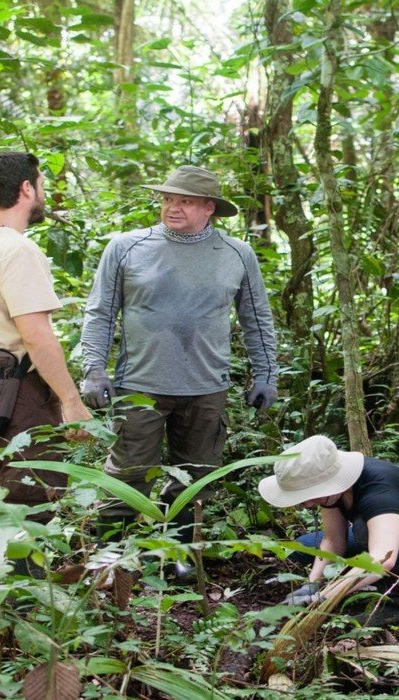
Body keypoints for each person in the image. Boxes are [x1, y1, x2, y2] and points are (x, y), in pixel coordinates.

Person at [80, 165, 279, 564]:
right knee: (128, 474)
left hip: (206, 387)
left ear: (210, 208)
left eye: (185, 201)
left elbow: (257, 318)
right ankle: (110, 557)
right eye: (168, 199)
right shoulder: (126, 247)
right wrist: (94, 369)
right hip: (140, 383)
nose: (172, 207)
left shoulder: (236, 253)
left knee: (197, 478)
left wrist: (266, 375)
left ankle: (181, 556)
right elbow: (100, 311)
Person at [0, 151, 92, 517]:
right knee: (28, 500)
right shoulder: (17, 249)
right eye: (42, 184)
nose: (43, 193)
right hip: (19, 394)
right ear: (26, 188)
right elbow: (36, 336)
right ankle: (20, 574)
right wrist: (71, 401)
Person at [258, 435, 399, 616]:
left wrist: (327, 596)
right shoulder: (333, 491)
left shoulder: (378, 491)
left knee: (364, 529)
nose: (306, 503)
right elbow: (333, 540)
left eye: (309, 495)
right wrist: (313, 584)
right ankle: (364, 579)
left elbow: (383, 557)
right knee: (302, 548)